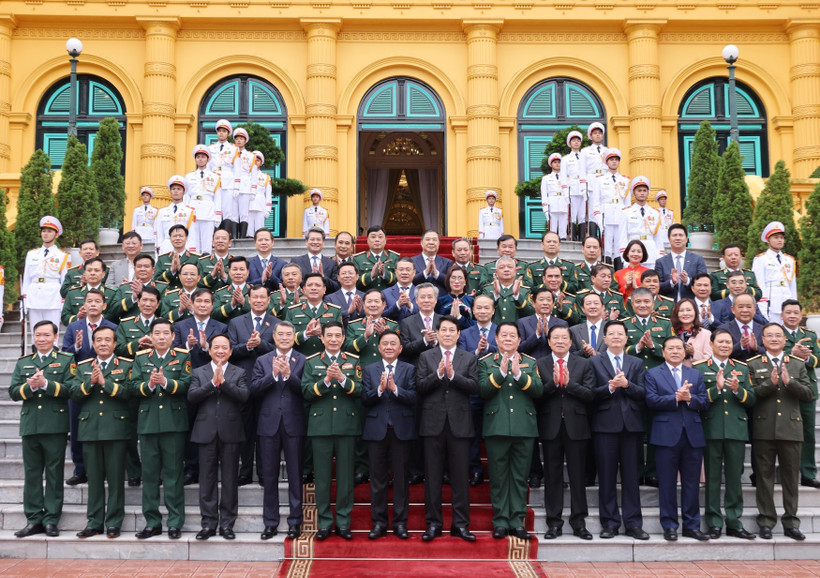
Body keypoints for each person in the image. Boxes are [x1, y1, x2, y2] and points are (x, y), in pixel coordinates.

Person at [748, 323, 814, 541]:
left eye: (779, 335)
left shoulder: (796, 364)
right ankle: (766, 521)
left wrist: (790, 382)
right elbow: (750, 396)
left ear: (785, 340)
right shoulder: (753, 363)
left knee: (790, 478)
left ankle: (791, 522)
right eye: (770, 336)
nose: (774, 339)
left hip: (791, 428)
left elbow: (809, 394)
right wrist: (770, 384)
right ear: (763, 340)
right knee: (764, 478)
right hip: (763, 428)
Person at [416, 315, 479, 542]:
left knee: (460, 477)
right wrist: (438, 375)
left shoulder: (469, 358)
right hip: (432, 424)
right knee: (432, 477)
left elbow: (474, 387)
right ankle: (433, 523)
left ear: (458, 333)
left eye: (452, 330)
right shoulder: (426, 357)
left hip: (460, 424)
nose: (448, 334)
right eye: (443, 330)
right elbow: (420, 387)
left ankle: (460, 524)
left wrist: (453, 376)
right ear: (438, 332)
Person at [9, 321, 73, 538]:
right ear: (34, 337)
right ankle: (33, 518)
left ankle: (51, 519)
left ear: (55, 337)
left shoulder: (65, 360)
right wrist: (30, 387)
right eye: (38, 335)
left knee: (55, 474)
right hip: (30, 425)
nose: (42, 339)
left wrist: (46, 384)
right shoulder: (24, 362)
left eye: (46, 335)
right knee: (32, 474)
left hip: (54, 425)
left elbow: (70, 389)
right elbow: (14, 391)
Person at [478, 322, 543, 540]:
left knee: (518, 477)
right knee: (497, 477)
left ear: (519, 340)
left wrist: (518, 375)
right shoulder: (487, 362)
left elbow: (538, 390)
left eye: (512, 335)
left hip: (524, 427)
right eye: (503, 335)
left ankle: (517, 520)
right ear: (496, 340)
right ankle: (500, 521)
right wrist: (502, 372)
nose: (507, 339)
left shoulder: (530, 362)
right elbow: (483, 391)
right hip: (496, 427)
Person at [129, 318, 191, 541]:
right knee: (150, 475)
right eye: (157, 333)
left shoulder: (182, 357)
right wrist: (150, 385)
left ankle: (175, 522)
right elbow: (133, 386)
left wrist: (165, 382)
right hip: (148, 424)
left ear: (173, 337)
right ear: (151, 337)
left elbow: (186, 384)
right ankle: (152, 522)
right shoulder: (141, 358)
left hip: (173, 424)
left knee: (174, 475)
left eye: (166, 333)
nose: (162, 337)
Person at [693, 329, 757, 540]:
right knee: (712, 479)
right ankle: (713, 521)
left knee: (734, 479)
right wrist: (717, 390)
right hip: (711, 429)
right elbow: (697, 400)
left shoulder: (741, 368)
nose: (725, 345)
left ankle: (734, 521)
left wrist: (739, 390)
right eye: (720, 341)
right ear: (711, 344)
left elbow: (751, 400)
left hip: (736, 429)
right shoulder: (700, 368)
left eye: (728, 342)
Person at [645, 336, 710, 542]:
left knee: (691, 484)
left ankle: (692, 525)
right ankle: (670, 525)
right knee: (667, 484)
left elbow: (704, 402)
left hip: (692, 435)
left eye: (679, 348)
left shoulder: (695, 374)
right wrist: (675, 397)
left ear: (685, 352)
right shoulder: (653, 374)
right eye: (670, 348)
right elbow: (651, 401)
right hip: (665, 436)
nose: (675, 351)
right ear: (663, 352)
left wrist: (690, 398)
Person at [301, 321, 362, 541]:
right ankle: (325, 523)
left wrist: (342, 379)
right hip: (320, 427)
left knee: (345, 478)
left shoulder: (353, 361)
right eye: (330, 336)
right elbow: (306, 392)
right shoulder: (312, 362)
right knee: (323, 479)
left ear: (344, 339)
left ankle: (344, 522)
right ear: (323, 338)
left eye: (338, 335)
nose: (334, 339)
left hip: (346, 426)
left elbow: (360, 390)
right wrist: (326, 380)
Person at [71, 326, 133, 539]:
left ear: (115, 344)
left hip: (116, 429)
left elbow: (129, 393)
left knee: (116, 480)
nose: (103, 343)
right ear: (93, 344)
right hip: (90, 430)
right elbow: (74, 393)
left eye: (108, 340)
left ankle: (114, 522)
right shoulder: (83, 366)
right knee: (94, 480)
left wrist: (105, 383)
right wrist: (90, 382)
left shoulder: (125, 365)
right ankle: (94, 522)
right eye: (99, 340)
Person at [589, 320, 649, 540]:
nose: (616, 336)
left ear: (626, 338)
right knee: (606, 477)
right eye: (611, 333)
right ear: (604, 339)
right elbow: (590, 394)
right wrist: (610, 387)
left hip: (631, 427)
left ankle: (633, 523)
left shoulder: (636, 362)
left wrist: (626, 386)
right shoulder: (594, 362)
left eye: (620, 333)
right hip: (604, 426)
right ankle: (610, 523)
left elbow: (643, 393)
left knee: (631, 477)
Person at [536, 325, 596, 540]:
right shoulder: (540, 363)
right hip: (550, 426)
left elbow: (590, 395)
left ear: (571, 342)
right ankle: (554, 522)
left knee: (578, 476)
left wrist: (570, 385)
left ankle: (579, 522)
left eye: (564, 338)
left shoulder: (583, 364)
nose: (560, 341)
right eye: (555, 338)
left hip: (577, 426)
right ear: (549, 341)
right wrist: (553, 384)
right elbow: (536, 395)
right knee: (552, 477)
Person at [188, 333, 249, 540]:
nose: (220, 351)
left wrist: (225, 383)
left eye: (225, 347)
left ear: (231, 351)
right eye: (216, 347)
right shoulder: (199, 372)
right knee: (207, 480)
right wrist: (212, 384)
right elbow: (192, 396)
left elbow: (244, 396)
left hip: (231, 432)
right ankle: (208, 524)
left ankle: (227, 525)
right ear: (210, 350)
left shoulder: (239, 372)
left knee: (230, 480)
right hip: (205, 432)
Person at [251, 321, 306, 540]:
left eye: (288, 334)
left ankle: (295, 522)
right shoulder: (262, 360)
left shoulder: (303, 359)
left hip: (294, 424)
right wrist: (273, 375)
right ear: (273, 337)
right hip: (268, 424)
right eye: (280, 334)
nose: (284, 338)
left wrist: (289, 375)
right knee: (270, 476)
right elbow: (253, 390)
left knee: (295, 475)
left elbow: (307, 389)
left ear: (294, 336)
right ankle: (270, 522)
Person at [361, 331, 417, 540]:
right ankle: (379, 523)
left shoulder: (410, 369)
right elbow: (364, 399)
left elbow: (414, 397)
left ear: (401, 348)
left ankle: (401, 523)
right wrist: (379, 389)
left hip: (401, 431)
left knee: (402, 480)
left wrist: (395, 390)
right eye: (385, 343)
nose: (389, 347)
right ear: (378, 347)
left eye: (393, 343)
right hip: (377, 431)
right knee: (377, 480)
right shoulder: (369, 370)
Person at [172, 288, 228, 485]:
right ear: (192, 304)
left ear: (212, 305)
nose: (203, 305)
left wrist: (205, 347)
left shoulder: (221, 327)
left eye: (207, 301)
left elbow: (224, 353)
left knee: (213, 426)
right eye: (199, 301)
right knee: (189, 426)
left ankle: (213, 466)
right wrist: (187, 346)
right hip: (187, 383)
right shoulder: (180, 326)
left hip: (213, 382)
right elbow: (173, 352)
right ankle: (191, 467)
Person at [62, 289, 118, 487]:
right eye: (89, 301)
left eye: (97, 301)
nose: (93, 304)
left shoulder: (113, 327)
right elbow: (64, 355)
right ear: (83, 305)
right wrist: (76, 347)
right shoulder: (73, 327)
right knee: (77, 426)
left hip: (107, 381)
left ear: (104, 305)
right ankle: (80, 469)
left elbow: (116, 352)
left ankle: (104, 468)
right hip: (80, 382)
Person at [228, 284, 280, 485]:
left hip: (268, 384)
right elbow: (230, 350)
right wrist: (247, 346)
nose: (258, 300)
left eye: (262, 297)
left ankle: (265, 473)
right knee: (245, 430)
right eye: (254, 297)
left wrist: (261, 345)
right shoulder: (236, 322)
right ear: (248, 300)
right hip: (242, 383)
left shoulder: (276, 323)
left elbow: (279, 349)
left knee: (266, 431)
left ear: (269, 300)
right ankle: (245, 470)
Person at [780, 299, 820, 489]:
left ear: (801, 315)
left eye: (796, 312)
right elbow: (773, 356)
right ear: (782, 315)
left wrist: (807, 357)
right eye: (788, 312)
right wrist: (792, 354)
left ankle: (808, 473)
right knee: (783, 433)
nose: (792, 316)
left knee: (808, 433)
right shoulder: (776, 334)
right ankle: (785, 472)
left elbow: (818, 359)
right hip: (784, 389)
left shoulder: (810, 335)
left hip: (807, 390)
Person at [22, 216, 69, 341]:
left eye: (49, 231)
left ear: (56, 234)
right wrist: (24, 300)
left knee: (52, 332)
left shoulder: (62, 256)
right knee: (35, 332)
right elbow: (26, 278)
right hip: (34, 296)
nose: (46, 234)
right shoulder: (31, 254)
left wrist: (63, 302)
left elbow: (64, 281)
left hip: (53, 297)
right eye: (44, 231)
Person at [287, 273, 342, 357]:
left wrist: (322, 335)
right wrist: (306, 334)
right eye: (309, 285)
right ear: (304, 289)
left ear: (324, 289)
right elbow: (286, 339)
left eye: (317, 285)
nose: (313, 288)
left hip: (325, 361)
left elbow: (341, 339)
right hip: (300, 360)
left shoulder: (335, 311)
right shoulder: (292, 311)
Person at [752, 221, 797, 325]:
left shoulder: (789, 260)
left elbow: (792, 285)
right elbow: (759, 284)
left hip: (787, 302)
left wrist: (794, 305)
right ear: (768, 240)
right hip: (771, 304)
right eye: (776, 238)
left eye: (781, 237)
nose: (780, 240)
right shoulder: (761, 259)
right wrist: (762, 306)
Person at [591, 148, 630, 262]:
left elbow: (627, 203)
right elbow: (596, 202)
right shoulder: (599, 180)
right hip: (606, 215)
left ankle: (618, 272)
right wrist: (598, 219)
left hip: (620, 215)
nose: (614, 162)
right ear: (606, 162)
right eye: (611, 159)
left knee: (620, 247)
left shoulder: (625, 180)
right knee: (606, 247)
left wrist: (627, 219)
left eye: (616, 160)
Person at [185, 144, 223, 254]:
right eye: (198, 157)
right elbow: (186, 196)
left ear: (207, 159)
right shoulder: (189, 176)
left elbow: (218, 197)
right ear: (195, 159)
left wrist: (218, 215)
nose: (200, 159)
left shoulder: (215, 177)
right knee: (193, 242)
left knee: (207, 242)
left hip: (208, 211)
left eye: (203, 157)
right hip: (193, 210)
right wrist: (185, 212)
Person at [619, 176, 664, 267]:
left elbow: (658, 238)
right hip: (633, 252)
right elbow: (622, 237)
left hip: (651, 254)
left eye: (644, 190)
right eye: (639, 190)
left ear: (648, 193)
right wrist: (624, 257)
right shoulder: (626, 212)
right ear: (633, 193)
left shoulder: (655, 213)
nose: (642, 193)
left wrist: (660, 255)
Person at [655, 224, 708, 302]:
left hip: (692, 305)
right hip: (668, 306)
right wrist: (671, 282)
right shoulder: (661, 262)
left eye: (680, 235)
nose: (678, 238)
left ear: (686, 239)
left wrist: (687, 281)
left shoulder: (697, 259)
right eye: (674, 235)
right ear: (669, 239)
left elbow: (704, 282)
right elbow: (657, 286)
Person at [61, 257, 116, 328]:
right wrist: (78, 318)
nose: (92, 273)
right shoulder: (72, 292)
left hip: (104, 332)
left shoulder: (112, 293)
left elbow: (115, 317)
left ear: (103, 274)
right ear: (84, 273)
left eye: (96, 270)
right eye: (89, 270)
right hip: (79, 332)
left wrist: (94, 317)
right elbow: (65, 317)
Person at [207, 119, 240, 239]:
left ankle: (225, 237)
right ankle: (214, 237)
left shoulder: (234, 149)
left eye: (224, 131)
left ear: (228, 134)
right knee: (215, 210)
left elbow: (237, 168)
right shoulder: (210, 149)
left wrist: (236, 186)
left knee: (227, 212)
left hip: (228, 182)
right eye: (219, 131)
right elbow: (208, 167)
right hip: (214, 183)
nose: (221, 133)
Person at [481, 256, 534, 324]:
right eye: (502, 267)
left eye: (510, 267)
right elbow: (482, 312)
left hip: (516, 332)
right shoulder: (487, 290)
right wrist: (495, 296)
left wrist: (517, 296)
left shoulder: (525, 291)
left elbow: (531, 314)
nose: (506, 269)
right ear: (496, 273)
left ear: (515, 271)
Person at [518, 287, 567, 360]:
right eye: (541, 300)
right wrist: (537, 334)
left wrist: (549, 335)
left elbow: (566, 348)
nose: (545, 303)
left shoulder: (562, 324)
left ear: (553, 304)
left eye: (548, 300)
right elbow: (519, 348)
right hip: (531, 366)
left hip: (553, 365)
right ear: (533, 303)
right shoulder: (523, 322)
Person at [717, 293, 766, 363]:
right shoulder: (723, 330)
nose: (745, 310)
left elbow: (770, 353)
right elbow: (719, 353)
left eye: (749, 307)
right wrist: (740, 346)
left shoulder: (763, 329)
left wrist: (756, 348)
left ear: (755, 309)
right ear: (733, 309)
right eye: (740, 307)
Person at [154, 175, 196, 254]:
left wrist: (191, 251)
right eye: (173, 189)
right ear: (170, 191)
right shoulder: (161, 212)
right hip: (166, 246)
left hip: (183, 246)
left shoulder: (189, 211)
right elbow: (159, 235)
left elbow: (192, 235)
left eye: (179, 189)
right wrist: (159, 251)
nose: (176, 191)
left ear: (183, 192)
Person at [153, 225, 201, 291]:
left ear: (186, 238)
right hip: (167, 296)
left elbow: (200, 281)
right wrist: (171, 271)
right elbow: (156, 281)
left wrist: (181, 270)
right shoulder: (162, 258)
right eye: (175, 236)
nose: (178, 238)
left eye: (181, 236)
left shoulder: (196, 258)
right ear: (170, 238)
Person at [291, 228, 339, 293]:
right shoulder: (296, 262)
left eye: (318, 239)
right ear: (306, 241)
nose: (315, 242)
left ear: (323, 242)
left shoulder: (332, 263)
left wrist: (323, 277)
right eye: (312, 239)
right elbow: (293, 283)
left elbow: (337, 286)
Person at [352, 226, 399, 291]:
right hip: (366, 297)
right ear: (367, 240)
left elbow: (400, 281)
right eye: (373, 237)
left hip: (388, 297)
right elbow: (353, 282)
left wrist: (385, 274)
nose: (377, 240)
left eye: (380, 237)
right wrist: (370, 276)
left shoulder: (394, 257)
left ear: (385, 240)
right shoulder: (358, 259)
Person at [560, 130, 587, 241]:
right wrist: (565, 192)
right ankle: (573, 238)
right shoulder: (565, 159)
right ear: (569, 143)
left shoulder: (584, 157)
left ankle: (581, 239)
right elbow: (563, 176)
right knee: (573, 214)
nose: (576, 143)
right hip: (572, 188)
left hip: (583, 188)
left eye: (578, 141)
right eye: (573, 141)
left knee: (582, 215)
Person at [671, 298, 712, 366]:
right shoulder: (671, 331)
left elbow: (710, 360)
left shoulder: (706, 334)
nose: (685, 313)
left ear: (695, 312)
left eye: (689, 310)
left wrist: (693, 352)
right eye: (681, 310)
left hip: (696, 374)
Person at [232, 127, 257, 239]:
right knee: (233, 213)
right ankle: (233, 236)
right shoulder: (230, 153)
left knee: (244, 213)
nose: (239, 141)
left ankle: (242, 237)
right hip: (232, 186)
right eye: (237, 138)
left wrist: (253, 190)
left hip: (245, 186)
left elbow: (254, 174)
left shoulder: (251, 156)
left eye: (241, 138)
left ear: (245, 140)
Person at [211, 256, 251, 324]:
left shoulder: (254, 291)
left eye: (242, 269)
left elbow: (263, 313)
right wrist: (231, 305)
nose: (238, 273)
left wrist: (244, 302)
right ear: (229, 271)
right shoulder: (219, 293)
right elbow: (213, 315)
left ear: (247, 272)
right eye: (235, 269)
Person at [569, 292, 607, 357]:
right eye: (588, 304)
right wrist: (583, 351)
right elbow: (570, 356)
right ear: (582, 309)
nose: (592, 306)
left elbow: (616, 353)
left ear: (603, 307)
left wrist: (595, 354)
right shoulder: (574, 331)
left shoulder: (611, 329)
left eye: (596, 303)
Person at [382, 257, 418, 322]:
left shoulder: (420, 292)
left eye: (408, 270)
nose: (404, 273)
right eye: (401, 270)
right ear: (396, 272)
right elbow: (382, 315)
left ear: (414, 272)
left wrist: (410, 306)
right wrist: (398, 305)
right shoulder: (385, 293)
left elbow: (425, 314)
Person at [541, 153, 567, 239]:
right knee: (553, 228)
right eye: (555, 162)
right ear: (551, 164)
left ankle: (563, 241)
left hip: (564, 203)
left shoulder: (566, 177)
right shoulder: (546, 178)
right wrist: (545, 209)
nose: (557, 164)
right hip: (552, 204)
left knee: (563, 227)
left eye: (559, 162)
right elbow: (544, 194)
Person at [249, 151, 272, 234]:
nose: (255, 162)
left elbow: (268, 194)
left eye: (258, 160)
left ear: (261, 163)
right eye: (253, 160)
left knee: (260, 230)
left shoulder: (265, 177)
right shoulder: (246, 175)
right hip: (248, 204)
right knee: (249, 230)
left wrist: (268, 209)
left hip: (260, 204)